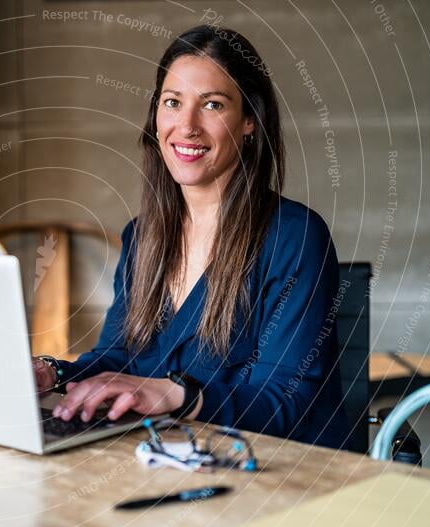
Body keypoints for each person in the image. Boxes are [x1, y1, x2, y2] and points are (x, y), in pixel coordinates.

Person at [32, 25, 351, 449]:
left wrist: (174, 395)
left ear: (249, 122)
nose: (187, 126)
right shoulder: (142, 235)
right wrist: (53, 373)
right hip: (177, 462)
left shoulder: (294, 239)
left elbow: (283, 403)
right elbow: (118, 358)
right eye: (172, 103)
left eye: (213, 105)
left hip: (282, 482)